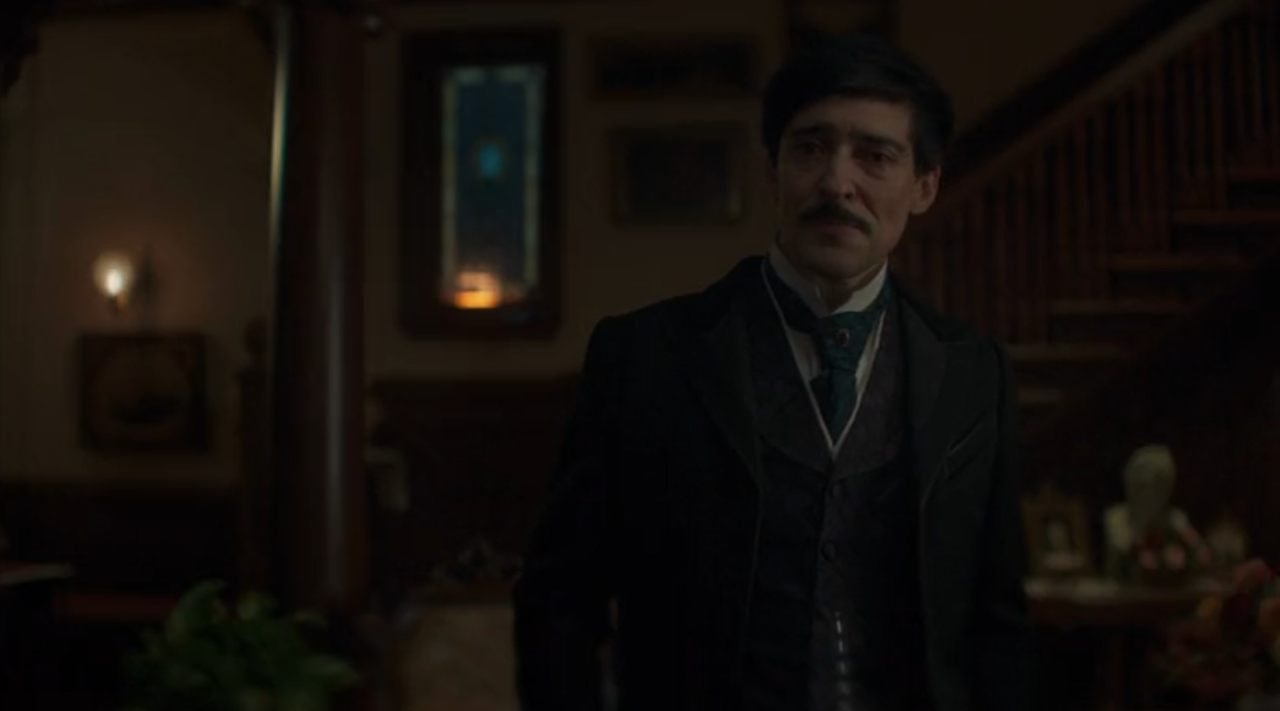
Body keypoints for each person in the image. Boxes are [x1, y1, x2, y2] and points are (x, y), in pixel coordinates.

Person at [513, 33, 1033, 711]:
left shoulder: (973, 373)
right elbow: (559, 600)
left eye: (875, 156)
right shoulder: (645, 356)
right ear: (773, 171)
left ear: (925, 186)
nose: (836, 183)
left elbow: (997, 621)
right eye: (810, 148)